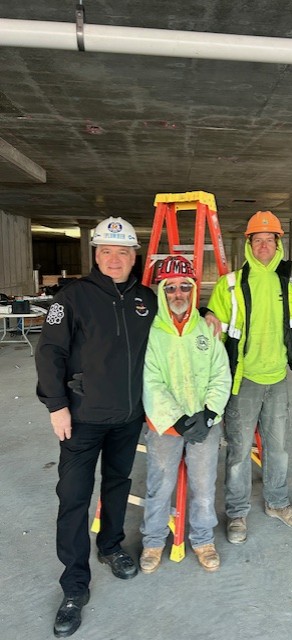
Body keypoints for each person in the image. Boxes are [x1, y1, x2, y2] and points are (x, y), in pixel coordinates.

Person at [35, 217, 157, 638]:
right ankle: (74, 585)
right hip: (82, 418)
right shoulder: (71, 297)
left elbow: (175, 329)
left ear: (134, 256)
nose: (114, 259)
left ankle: (110, 546)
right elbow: (49, 353)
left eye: (122, 252)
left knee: (117, 484)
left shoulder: (146, 299)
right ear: (96, 254)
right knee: (73, 497)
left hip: (128, 416)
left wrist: (207, 315)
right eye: (106, 251)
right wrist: (56, 406)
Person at [208, 210, 292, 545]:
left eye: (269, 240)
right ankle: (237, 513)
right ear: (249, 244)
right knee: (238, 451)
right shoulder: (230, 284)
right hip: (244, 380)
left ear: (278, 244)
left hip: (277, 379)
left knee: (277, 449)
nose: (264, 246)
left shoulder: (289, 286)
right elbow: (213, 332)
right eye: (258, 240)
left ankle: (277, 503)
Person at [140, 255, 231, 573]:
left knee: (204, 487)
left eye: (184, 287)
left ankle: (203, 540)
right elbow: (150, 381)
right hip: (165, 426)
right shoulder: (152, 332)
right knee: (159, 486)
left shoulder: (207, 328)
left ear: (193, 290)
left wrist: (209, 414)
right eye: (170, 288)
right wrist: (176, 420)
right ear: (161, 291)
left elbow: (221, 374)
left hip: (204, 424)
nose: (178, 294)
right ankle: (153, 541)